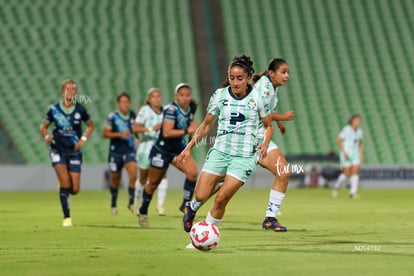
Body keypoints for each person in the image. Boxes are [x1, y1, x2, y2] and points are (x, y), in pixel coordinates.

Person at [179, 55, 273, 233]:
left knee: (221, 198)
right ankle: (192, 207)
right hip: (220, 152)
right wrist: (188, 147)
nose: (235, 82)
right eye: (232, 77)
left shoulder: (259, 98)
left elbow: (269, 126)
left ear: (248, 78)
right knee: (201, 195)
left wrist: (265, 144)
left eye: (240, 78)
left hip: (244, 156)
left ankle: (207, 233)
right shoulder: (220, 95)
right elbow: (206, 125)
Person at [137, 83, 199, 227]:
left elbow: (189, 126)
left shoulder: (192, 108)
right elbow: (166, 132)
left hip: (179, 149)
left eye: (187, 95)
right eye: (181, 95)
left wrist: (189, 144)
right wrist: (187, 131)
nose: (184, 98)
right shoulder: (171, 110)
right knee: (153, 183)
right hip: (162, 150)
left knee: (192, 172)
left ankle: (185, 205)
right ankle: (143, 210)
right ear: (175, 97)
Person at [40, 79, 95, 227]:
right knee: (65, 184)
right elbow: (43, 126)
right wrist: (46, 136)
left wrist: (83, 139)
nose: (70, 92)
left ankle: (64, 187)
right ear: (62, 91)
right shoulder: (54, 110)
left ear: (76, 93)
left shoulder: (80, 110)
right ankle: (67, 217)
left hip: (74, 151)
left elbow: (91, 125)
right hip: (57, 149)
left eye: (73, 89)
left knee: (74, 189)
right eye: (67, 89)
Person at [252, 58, 293, 232]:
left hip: (262, 136)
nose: (287, 76)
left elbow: (268, 112)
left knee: (283, 172)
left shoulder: (271, 88)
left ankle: (270, 218)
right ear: (271, 73)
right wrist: (282, 118)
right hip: (252, 137)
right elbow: (261, 113)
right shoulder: (264, 88)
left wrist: (280, 124)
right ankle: (193, 205)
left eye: (288, 72)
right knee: (222, 183)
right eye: (283, 72)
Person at [133, 88, 168, 216]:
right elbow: (135, 128)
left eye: (159, 96)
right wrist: (150, 129)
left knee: (162, 176)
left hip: (161, 148)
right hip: (146, 148)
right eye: (154, 96)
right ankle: (137, 203)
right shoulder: (145, 110)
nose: (157, 99)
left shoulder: (165, 111)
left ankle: (160, 205)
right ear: (149, 99)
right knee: (143, 178)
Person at [103, 92, 137, 215]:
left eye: (127, 102)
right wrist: (119, 134)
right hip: (115, 152)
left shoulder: (133, 116)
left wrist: (138, 138)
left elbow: (137, 130)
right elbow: (105, 134)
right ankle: (113, 204)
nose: (125, 104)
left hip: (129, 151)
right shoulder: (112, 117)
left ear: (129, 103)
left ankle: (132, 203)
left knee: (133, 175)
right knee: (116, 180)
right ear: (118, 104)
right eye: (122, 102)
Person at [332, 114, 364, 198]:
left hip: (355, 153)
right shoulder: (347, 129)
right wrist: (343, 152)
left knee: (355, 171)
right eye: (356, 120)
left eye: (359, 120)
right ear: (352, 121)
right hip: (346, 153)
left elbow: (360, 143)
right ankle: (336, 187)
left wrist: (361, 155)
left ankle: (353, 193)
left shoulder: (360, 131)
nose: (358, 122)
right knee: (346, 173)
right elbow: (339, 140)